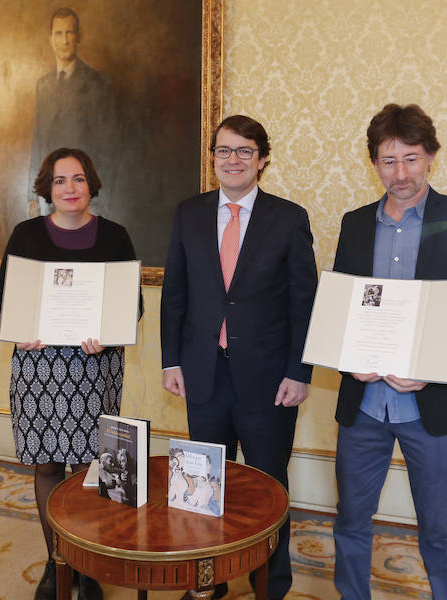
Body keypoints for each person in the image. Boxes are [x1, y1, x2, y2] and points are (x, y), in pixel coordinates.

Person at [331, 103, 447, 600]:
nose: (401, 173)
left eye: (410, 158)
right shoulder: (356, 224)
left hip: (432, 405)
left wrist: (437, 365)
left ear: (430, 156)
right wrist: (348, 356)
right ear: (374, 163)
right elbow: (342, 306)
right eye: (389, 161)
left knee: (438, 526)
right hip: (363, 404)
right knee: (349, 519)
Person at [160, 114, 318, 600]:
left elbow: (303, 301)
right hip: (204, 375)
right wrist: (171, 361)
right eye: (224, 151)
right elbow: (176, 294)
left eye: (244, 151)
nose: (233, 160)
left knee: (268, 490)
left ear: (262, 159)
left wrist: (299, 370)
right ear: (212, 159)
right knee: (201, 489)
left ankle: (271, 586)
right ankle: (208, 582)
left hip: (270, 380)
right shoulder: (188, 213)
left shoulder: (289, 218)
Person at [0, 148, 140, 600]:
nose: (70, 188)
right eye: (60, 181)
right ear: (47, 188)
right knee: (49, 466)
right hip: (39, 370)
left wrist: (107, 335)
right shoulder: (26, 234)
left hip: (95, 368)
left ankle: (87, 566)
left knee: (92, 469)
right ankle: (57, 565)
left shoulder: (115, 237)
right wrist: (18, 332)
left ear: (91, 184)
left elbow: (130, 305)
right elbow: (2, 299)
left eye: (78, 179)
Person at [28, 7, 116, 218]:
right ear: (51, 38)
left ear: (78, 36)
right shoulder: (43, 85)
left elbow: (108, 148)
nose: (64, 40)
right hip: (49, 196)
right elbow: (38, 141)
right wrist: (32, 197)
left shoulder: (99, 84)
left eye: (69, 32)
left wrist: (97, 199)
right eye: (59, 33)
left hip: (85, 198)